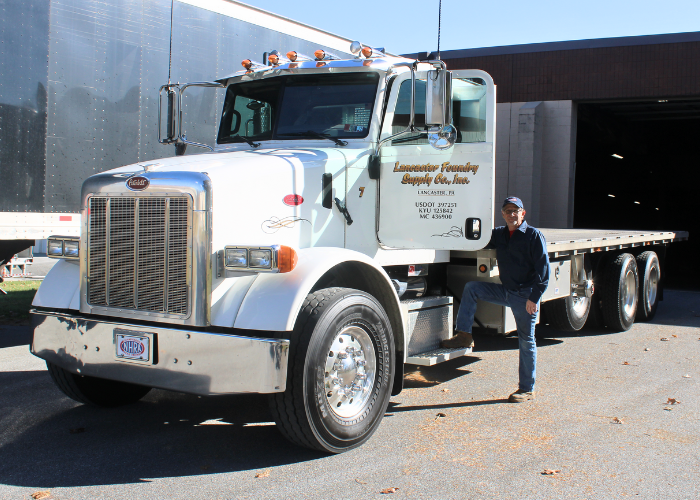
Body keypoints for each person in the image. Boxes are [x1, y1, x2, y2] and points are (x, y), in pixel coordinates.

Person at [442, 196, 549, 403]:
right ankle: (464, 334)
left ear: (522, 213)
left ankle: (527, 389)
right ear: (502, 214)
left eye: (515, 211)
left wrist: (534, 298)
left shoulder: (534, 236)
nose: (511, 215)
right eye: (507, 211)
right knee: (472, 288)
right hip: (506, 291)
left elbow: (543, 271)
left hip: (524, 296)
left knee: (526, 341)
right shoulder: (500, 234)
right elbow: (478, 238)